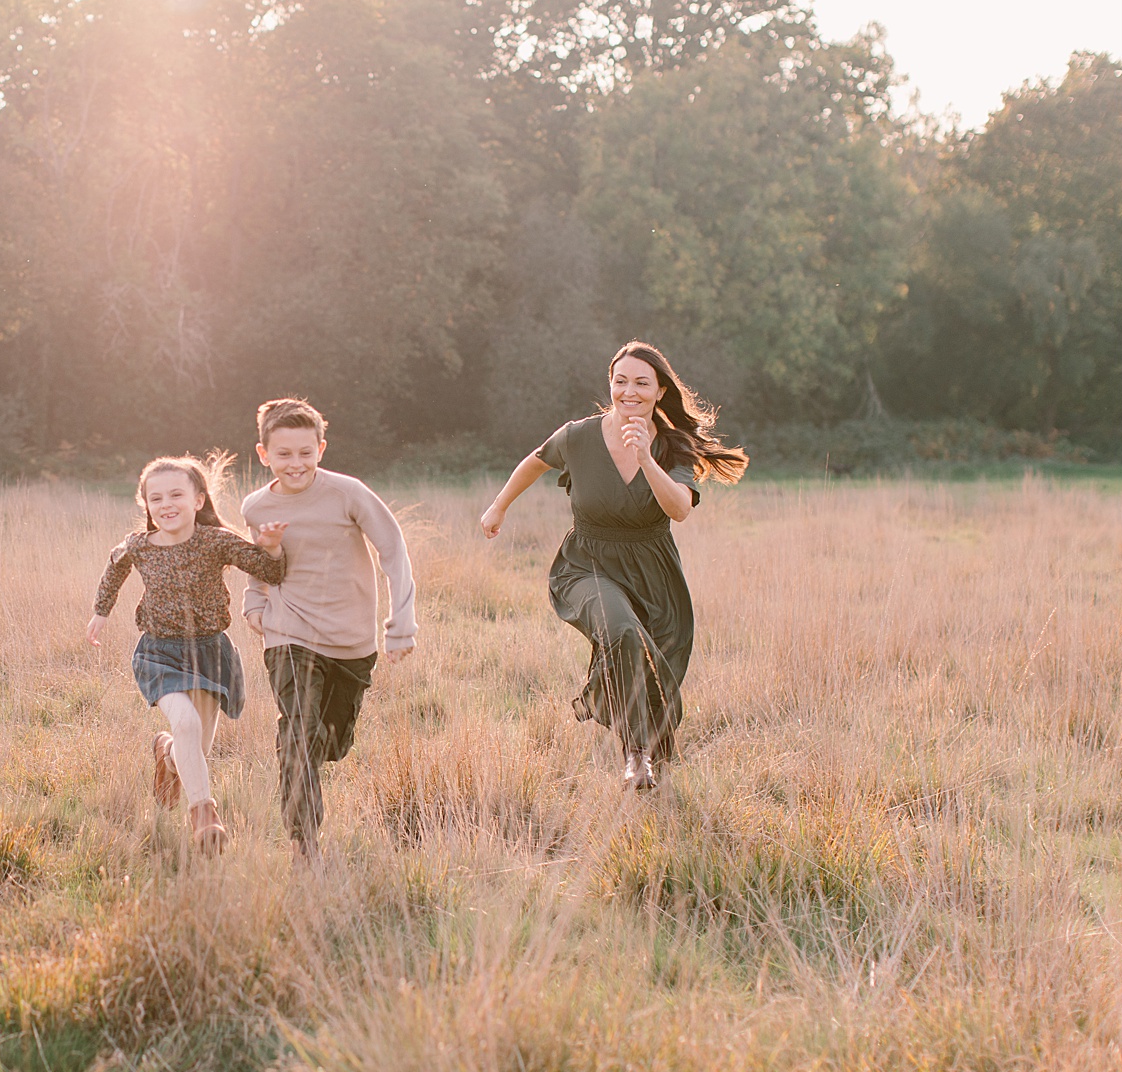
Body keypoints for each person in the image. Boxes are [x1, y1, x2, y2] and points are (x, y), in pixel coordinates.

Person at [479, 340, 747, 793]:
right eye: (620, 381)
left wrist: (645, 457)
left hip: (654, 575)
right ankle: (636, 754)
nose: (629, 391)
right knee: (621, 632)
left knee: (652, 662)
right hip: (586, 564)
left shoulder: (673, 447)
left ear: (660, 391)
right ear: (610, 384)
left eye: (642, 383)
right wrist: (499, 506)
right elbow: (536, 461)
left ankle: (641, 736)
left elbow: (679, 508)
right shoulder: (579, 436)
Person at [239, 398, 417, 858]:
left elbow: (393, 550)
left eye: (304, 452)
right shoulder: (256, 506)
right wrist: (254, 601)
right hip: (289, 634)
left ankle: (305, 774)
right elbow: (260, 561)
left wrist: (402, 623)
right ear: (264, 455)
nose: (294, 463)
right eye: (283, 454)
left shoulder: (347, 493)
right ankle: (304, 844)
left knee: (330, 743)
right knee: (297, 729)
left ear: (321, 447)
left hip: (351, 641)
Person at [87, 456, 286, 854]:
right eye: (155, 497)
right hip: (159, 653)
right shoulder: (140, 546)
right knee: (187, 724)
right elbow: (114, 568)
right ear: (146, 504)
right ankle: (203, 814)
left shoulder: (215, 540)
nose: (166, 504)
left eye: (176, 494)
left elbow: (270, 571)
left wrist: (273, 547)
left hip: (211, 653)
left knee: (194, 749)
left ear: (198, 500)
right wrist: (100, 612)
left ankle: (165, 751)